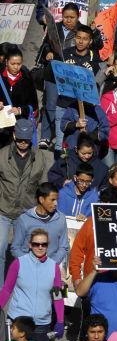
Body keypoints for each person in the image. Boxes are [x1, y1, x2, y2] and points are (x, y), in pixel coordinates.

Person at [0, 229, 65, 341]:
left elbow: (58, 296)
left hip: (42, 325)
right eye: (36, 244)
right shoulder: (18, 263)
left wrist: (60, 320)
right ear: (30, 245)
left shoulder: (54, 267)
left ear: (48, 245)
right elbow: (7, 289)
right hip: (19, 322)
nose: (40, 247)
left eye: (44, 244)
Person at [0, 120, 48, 287]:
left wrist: (41, 209)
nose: (22, 143)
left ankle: (24, 283)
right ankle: (1, 287)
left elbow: (43, 185)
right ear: (14, 135)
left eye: (26, 140)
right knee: (0, 248)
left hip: (26, 212)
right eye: (20, 139)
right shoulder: (2, 154)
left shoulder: (40, 157)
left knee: (26, 250)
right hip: (3, 210)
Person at [11, 184, 69, 267]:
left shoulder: (61, 219)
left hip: (50, 269)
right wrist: (28, 263)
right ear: (41, 199)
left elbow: (63, 247)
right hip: (28, 268)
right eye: (52, 200)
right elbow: (15, 248)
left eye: (56, 200)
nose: (56, 203)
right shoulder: (24, 219)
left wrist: (52, 263)